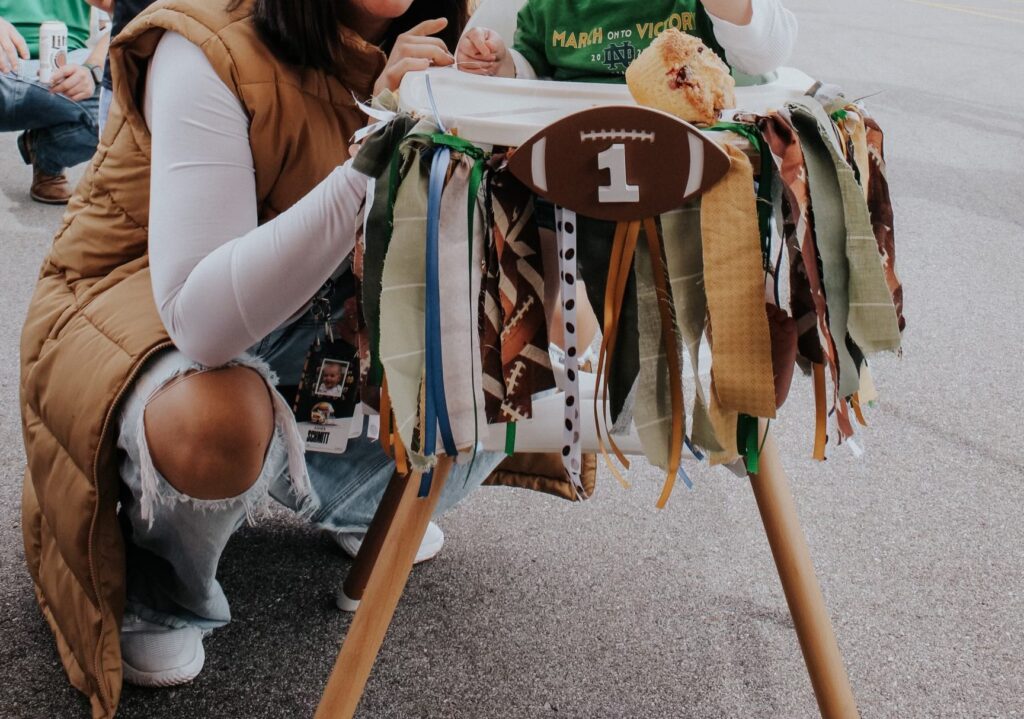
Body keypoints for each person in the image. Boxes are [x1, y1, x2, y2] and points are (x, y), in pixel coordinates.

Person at [18, 0, 521, 712]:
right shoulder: (207, 42)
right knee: (217, 419)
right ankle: (161, 588)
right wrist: (380, 148)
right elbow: (203, 321)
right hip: (137, 307)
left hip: (315, 311)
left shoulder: (466, 33)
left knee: (538, 340)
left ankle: (358, 500)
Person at [456, 0, 797, 82]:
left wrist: (730, 7)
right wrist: (502, 63)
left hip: (697, 162)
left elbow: (765, 56)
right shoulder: (552, 6)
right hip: (572, 165)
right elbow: (531, 69)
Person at [0, 0, 108, 203]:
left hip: (67, 58)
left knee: (120, 96)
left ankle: (46, 155)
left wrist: (93, 69)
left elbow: (128, 18)